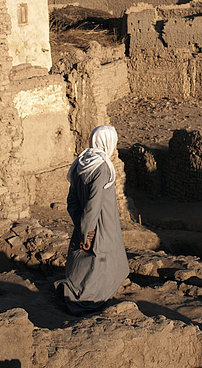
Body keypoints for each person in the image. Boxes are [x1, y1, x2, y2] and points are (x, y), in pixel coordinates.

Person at [56, 125, 129, 315]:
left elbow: (72, 201)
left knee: (85, 262)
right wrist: (87, 232)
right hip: (100, 223)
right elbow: (93, 205)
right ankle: (89, 299)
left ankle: (84, 290)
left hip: (85, 221)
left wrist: (78, 223)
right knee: (101, 260)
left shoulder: (82, 161)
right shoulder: (101, 168)